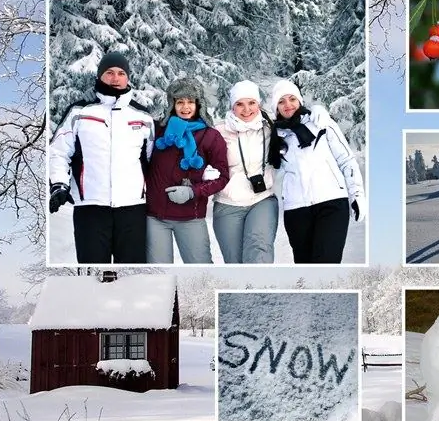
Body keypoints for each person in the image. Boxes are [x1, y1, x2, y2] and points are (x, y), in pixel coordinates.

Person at [49, 51, 154, 263]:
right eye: (109, 72)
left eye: (121, 73)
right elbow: (58, 152)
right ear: (99, 76)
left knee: (132, 274)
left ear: (128, 78)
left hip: (132, 209)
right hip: (90, 208)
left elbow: (153, 161)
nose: (115, 78)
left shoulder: (142, 116)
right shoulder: (79, 111)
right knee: (93, 272)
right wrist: (59, 184)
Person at [269, 79, 366, 264]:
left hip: (331, 203)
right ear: (276, 107)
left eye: (292, 99)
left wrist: (357, 194)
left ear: (300, 100)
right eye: (281, 101)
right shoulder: (275, 136)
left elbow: (346, 159)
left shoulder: (320, 122)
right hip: (296, 210)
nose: (288, 105)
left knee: (327, 263)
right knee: (306, 269)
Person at [145, 77, 230, 263]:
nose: (185, 107)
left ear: (199, 104)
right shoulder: (158, 131)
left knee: (201, 273)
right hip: (155, 218)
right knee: (158, 275)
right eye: (180, 102)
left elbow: (222, 177)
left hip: (191, 217)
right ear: (171, 104)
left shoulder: (211, 136)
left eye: (190, 101)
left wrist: (193, 192)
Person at [213, 80, 278, 263]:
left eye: (251, 103)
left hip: (262, 199)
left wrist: (318, 112)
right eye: (239, 104)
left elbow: (296, 118)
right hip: (228, 204)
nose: (246, 109)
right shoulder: (218, 131)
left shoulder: (270, 128)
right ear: (232, 106)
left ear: (258, 104)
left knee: (260, 250)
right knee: (234, 262)